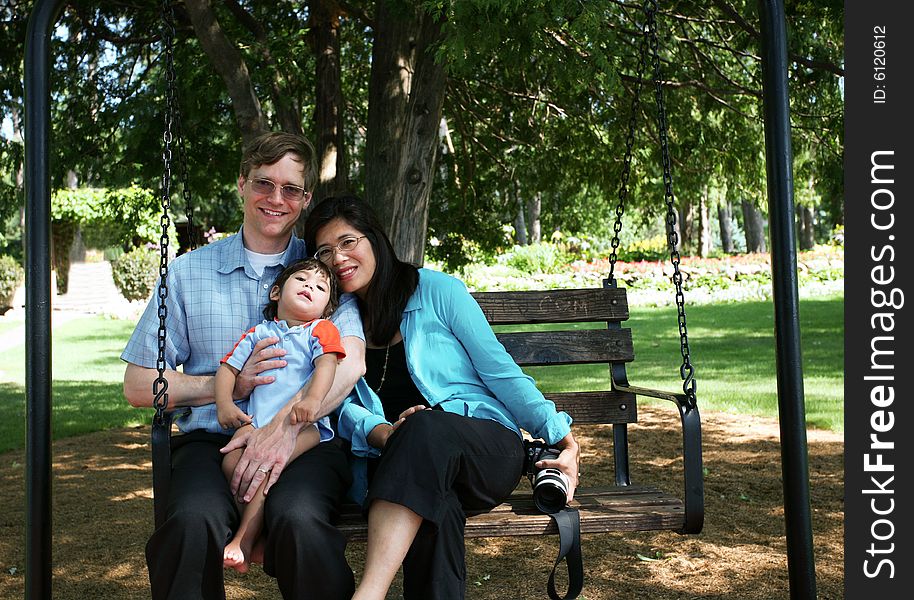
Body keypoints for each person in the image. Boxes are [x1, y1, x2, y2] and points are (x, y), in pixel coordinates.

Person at [121, 132, 364, 600]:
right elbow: (136, 384)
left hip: (306, 443)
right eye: (263, 183)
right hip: (211, 441)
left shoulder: (325, 275)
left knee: (300, 521)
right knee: (192, 521)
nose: (276, 198)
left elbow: (349, 365)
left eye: (291, 188)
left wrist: (282, 428)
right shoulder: (188, 274)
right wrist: (225, 387)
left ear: (305, 198)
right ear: (241, 185)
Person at [304, 194, 581, 600]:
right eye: (325, 251)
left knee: (424, 426)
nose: (339, 258)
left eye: (348, 241)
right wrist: (380, 432)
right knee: (438, 510)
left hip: (483, 449)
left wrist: (563, 439)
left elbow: (500, 372)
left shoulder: (437, 291)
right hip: (401, 463)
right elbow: (338, 401)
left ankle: (369, 594)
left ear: (375, 238)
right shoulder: (338, 319)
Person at [215, 258, 344, 572]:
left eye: (319, 287)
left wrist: (312, 400)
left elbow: (327, 366)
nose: (308, 287)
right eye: (301, 279)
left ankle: (244, 539)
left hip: (305, 426)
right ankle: (259, 533)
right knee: (231, 461)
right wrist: (225, 405)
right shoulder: (259, 332)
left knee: (269, 465)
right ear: (276, 292)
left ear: (327, 307)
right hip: (257, 424)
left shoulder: (320, 329)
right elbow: (227, 369)